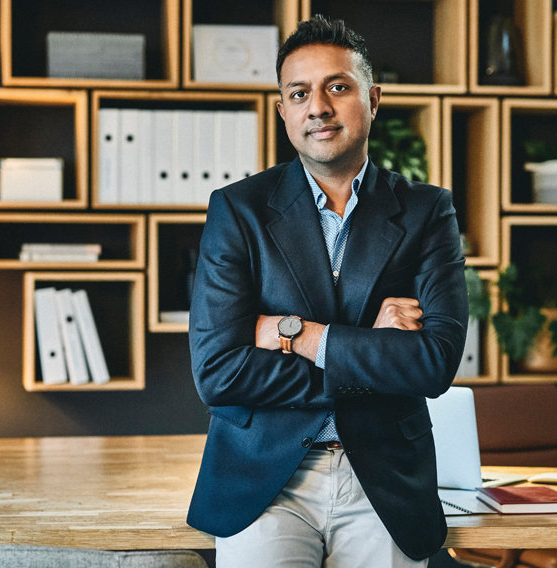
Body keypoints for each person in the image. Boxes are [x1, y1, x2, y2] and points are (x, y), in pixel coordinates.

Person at [186, 15, 468, 568]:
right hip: (265, 481)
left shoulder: (427, 211)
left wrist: (292, 332)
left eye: (337, 86)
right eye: (299, 92)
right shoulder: (237, 210)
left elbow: (434, 364)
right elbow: (218, 371)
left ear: (373, 97)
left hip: (384, 479)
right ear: (283, 110)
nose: (318, 106)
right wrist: (371, 350)